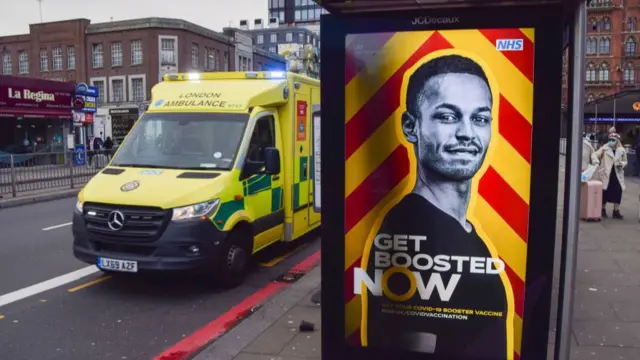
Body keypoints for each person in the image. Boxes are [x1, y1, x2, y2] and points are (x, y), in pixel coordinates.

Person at [364, 54, 507, 358]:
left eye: (480, 118)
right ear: (411, 126)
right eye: (448, 116)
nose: (467, 133)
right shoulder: (413, 228)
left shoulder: (462, 229)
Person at [592, 132, 627, 219]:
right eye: (610, 140)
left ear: (617, 140)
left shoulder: (621, 150)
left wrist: (621, 164)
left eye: (613, 140)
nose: (611, 141)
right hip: (606, 174)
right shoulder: (604, 148)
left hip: (617, 174)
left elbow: (625, 161)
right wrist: (596, 161)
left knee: (618, 192)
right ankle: (602, 209)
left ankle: (616, 211)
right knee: (605, 192)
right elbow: (594, 154)